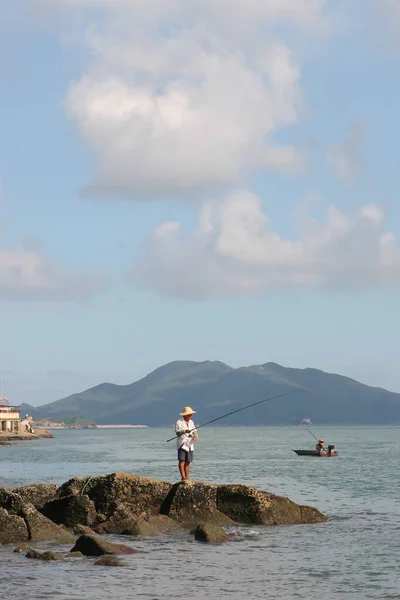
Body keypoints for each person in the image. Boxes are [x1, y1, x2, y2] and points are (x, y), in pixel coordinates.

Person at [175, 406, 198, 481]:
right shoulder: (179, 422)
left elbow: (195, 430)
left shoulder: (191, 422)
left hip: (190, 444)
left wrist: (195, 436)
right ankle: (183, 477)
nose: (191, 416)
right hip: (182, 443)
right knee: (181, 460)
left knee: (188, 461)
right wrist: (185, 431)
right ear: (185, 415)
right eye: (189, 415)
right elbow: (177, 433)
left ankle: (187, 477)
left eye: (191, 415)